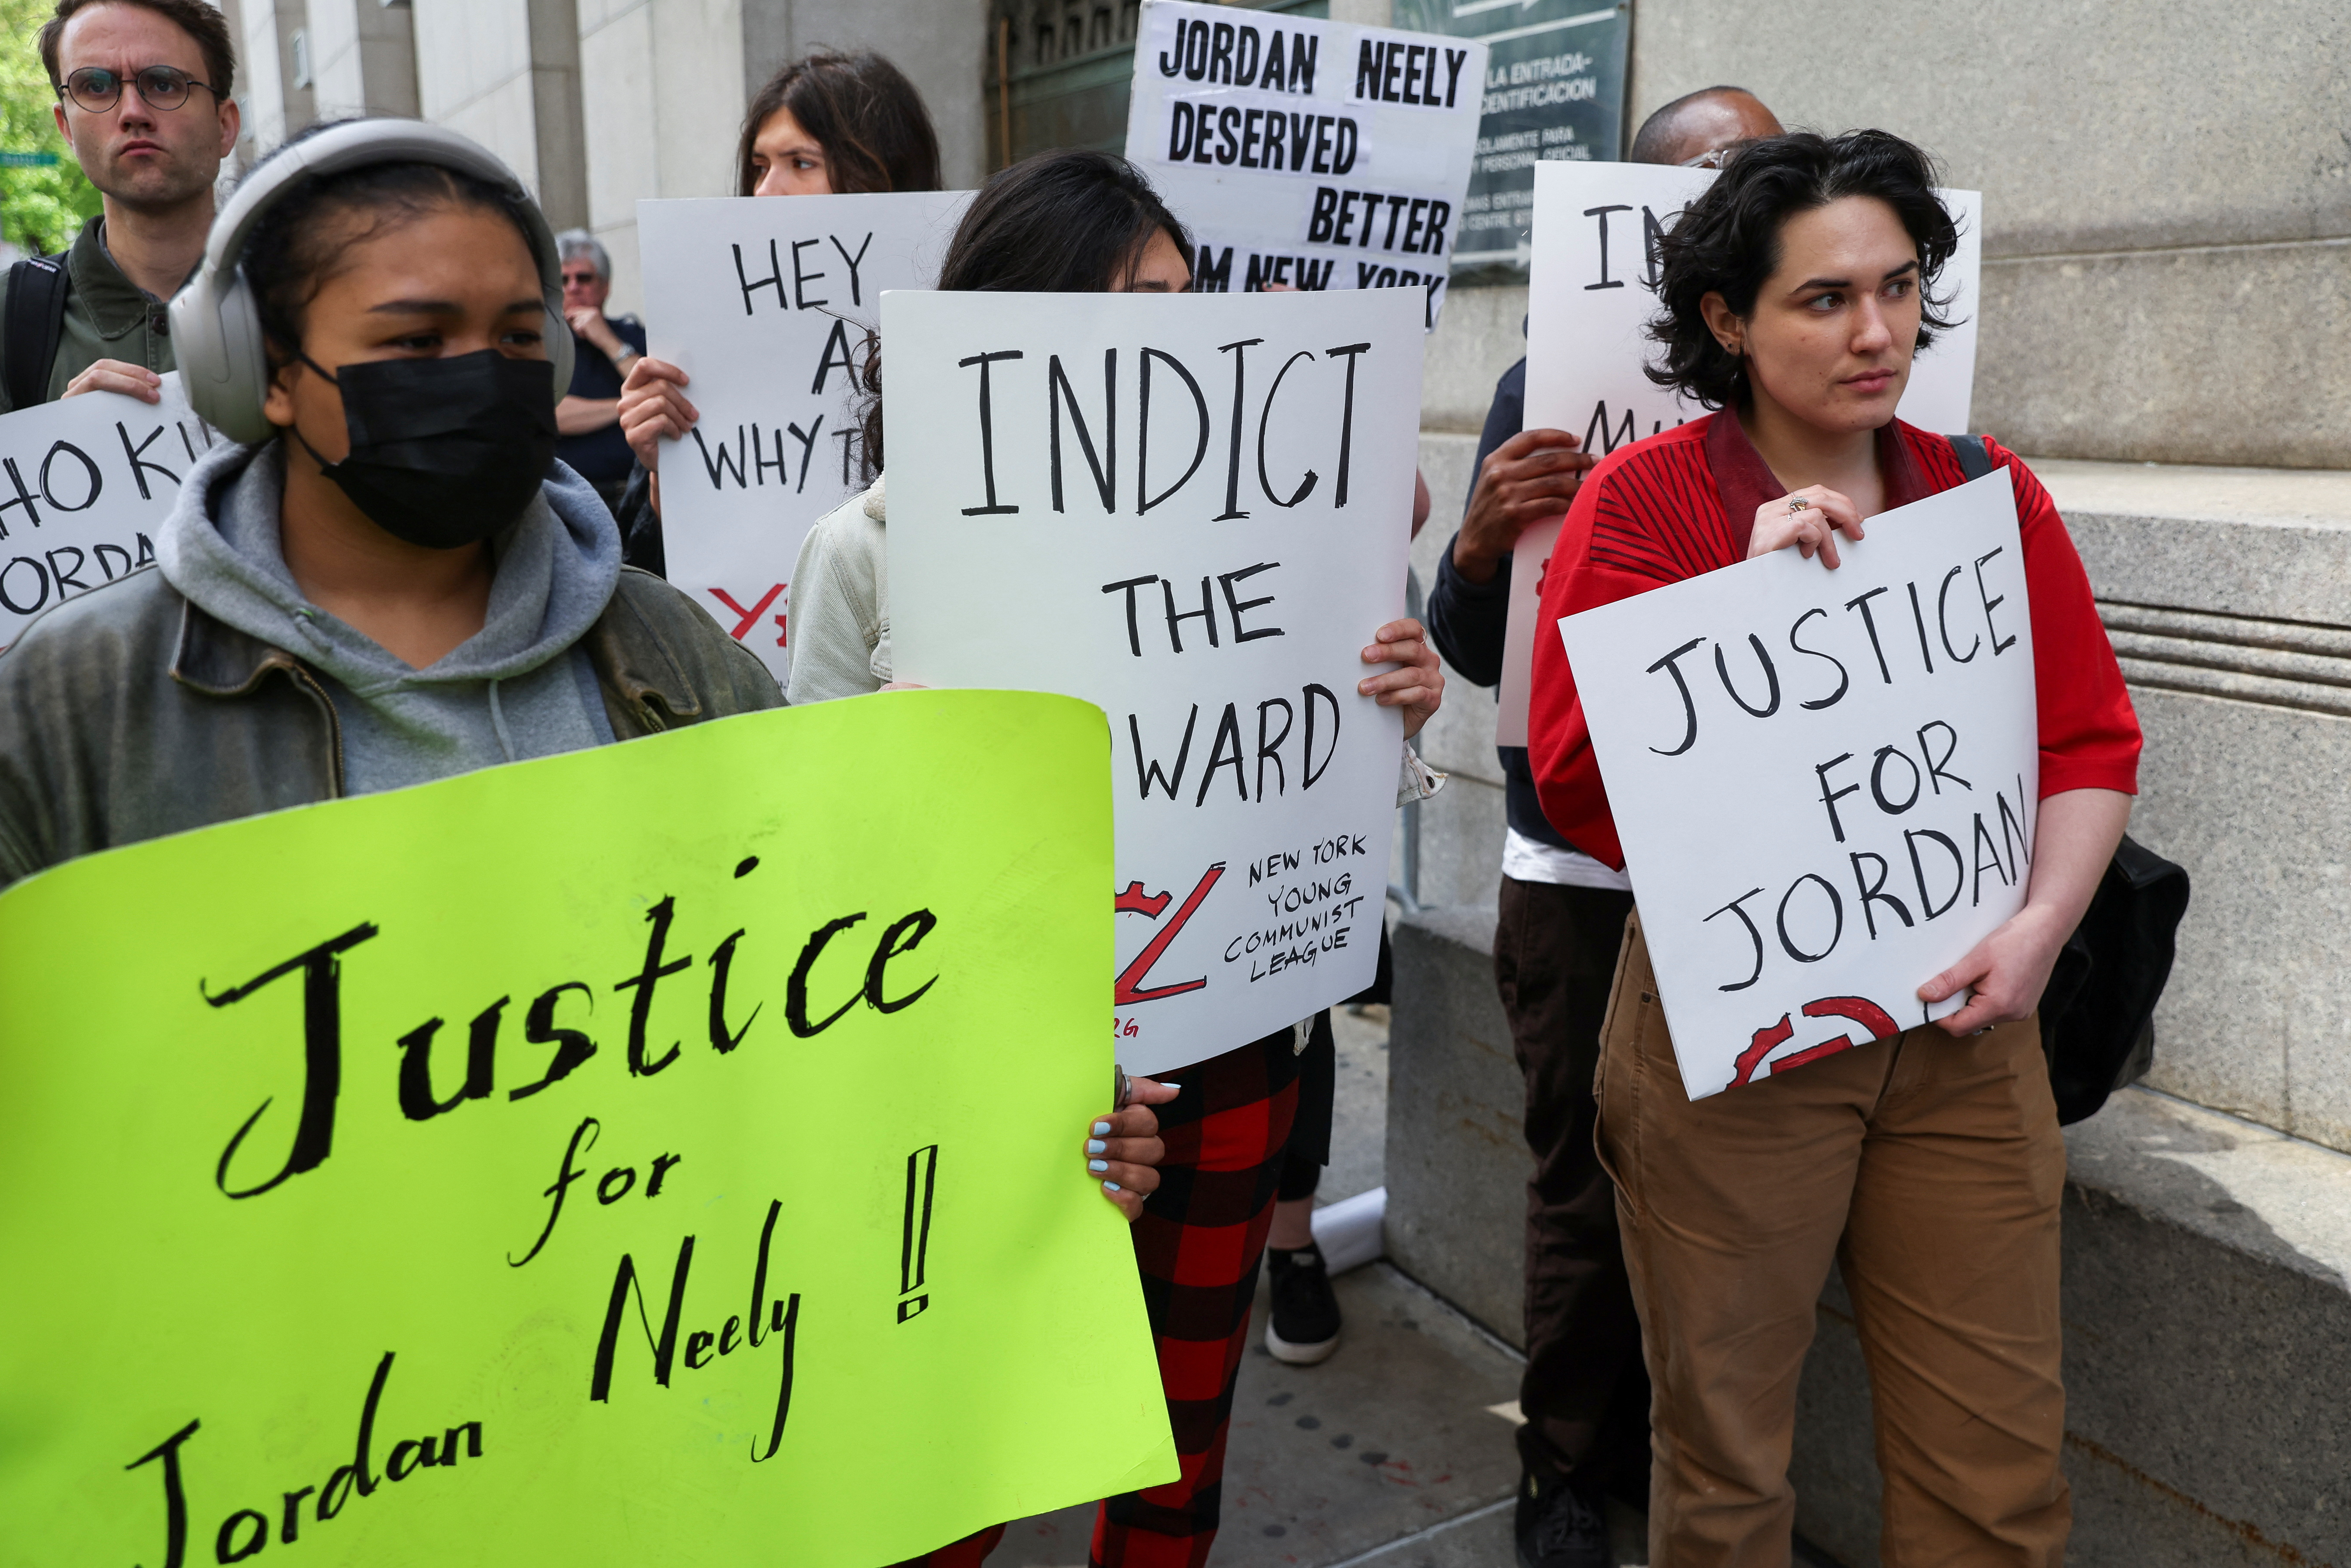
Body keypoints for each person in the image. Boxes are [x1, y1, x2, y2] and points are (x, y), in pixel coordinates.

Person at [787, 148, 1446, 1568]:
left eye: (1174, 297)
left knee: (1171, 1437)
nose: (1158, 335)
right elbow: (806, 862)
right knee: (954, 1450)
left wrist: (1393, 695)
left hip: (1227, 1042)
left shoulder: (1291, 535)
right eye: (1112, 301)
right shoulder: (866, 545)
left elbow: (1316, 789)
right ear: (1003, 324)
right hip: (976, 1069)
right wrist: (889, 771)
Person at [1528, 129, 2140, 1566]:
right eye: (1823, 298)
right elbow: (1576, 783)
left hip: (1969, 1031)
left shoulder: (1986, 489)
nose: (1877, 330)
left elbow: (2088, 742)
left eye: (1901, 285)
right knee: (1729, 1459)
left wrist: (2040, 928)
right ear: (1730, 320)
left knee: (1996, 1468)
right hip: (1735, 1048)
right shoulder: (1646, 504)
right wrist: (1738, 625)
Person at [0, 118, 785, 905]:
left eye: (516, 338)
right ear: (266, 374)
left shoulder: (673, 651)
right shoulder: (67, 708)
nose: (482, 375)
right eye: (418, 342)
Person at [1423, 83, 1782, 1568]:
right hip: (1580, 873)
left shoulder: (1839, 395)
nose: (1747, 185)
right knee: (1583, 1178)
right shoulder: (1545, 389)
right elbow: (1469, 646)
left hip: (1762, 859)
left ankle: (1691, 1454)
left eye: (1766, 162)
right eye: (1714, 172)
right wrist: (1480, 537)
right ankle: (1564, 1461)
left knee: (1739, 1186)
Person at [611, 50, 946, 573]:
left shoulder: (959, 329)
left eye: (802, 163)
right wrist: (669, 472)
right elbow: (650, 583)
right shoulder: (705, 348)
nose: (765, 193)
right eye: (760, 167)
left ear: (882, 172)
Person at [0, 0, 240, 419]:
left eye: (164, 84)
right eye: (95, 86)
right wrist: (57, 447)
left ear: (225, 124)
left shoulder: (314, 293)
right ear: (66, 129)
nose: (132, 111)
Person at [551, 228, 647, 515]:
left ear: (605, 287)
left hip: (637, 497)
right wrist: (630, 405)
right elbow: (551, 413)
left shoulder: (631, 335)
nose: (573, 287)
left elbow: (661, 392)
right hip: (569, 503)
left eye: (584, 278)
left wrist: (606, 339)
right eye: (563, 280)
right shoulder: (542, 343)